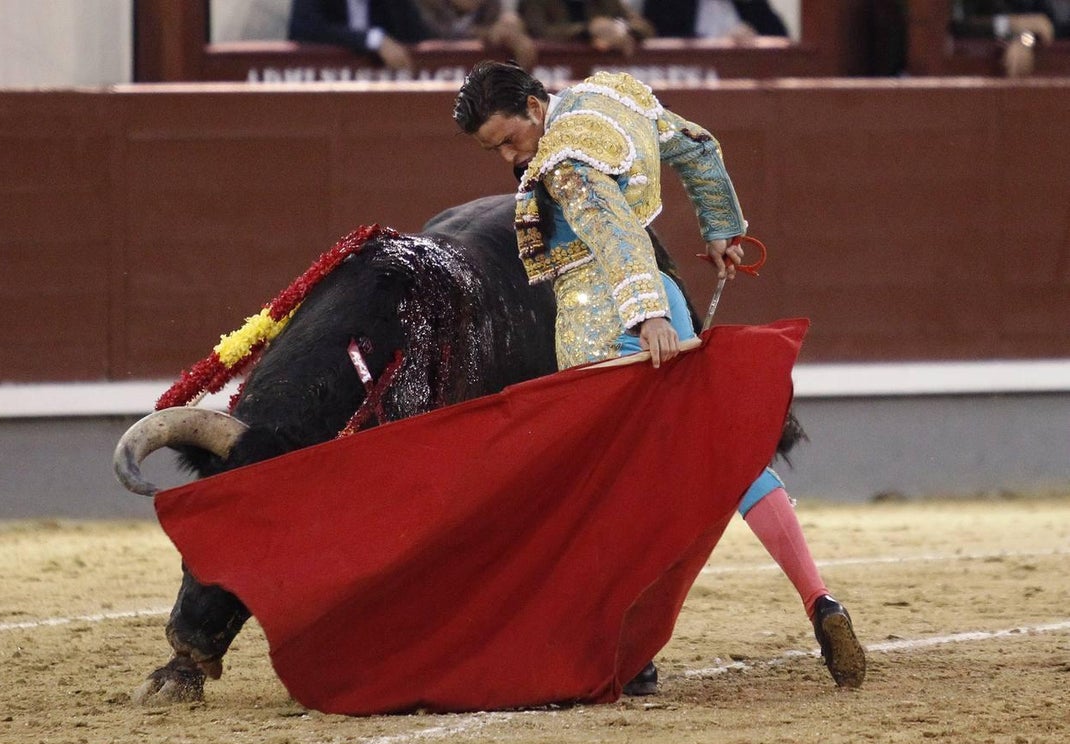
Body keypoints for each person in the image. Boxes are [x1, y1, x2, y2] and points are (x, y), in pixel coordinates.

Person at [452, 60, 866, 693]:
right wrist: (722, 229)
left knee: (603, 483)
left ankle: (629, 652)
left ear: (537, 106)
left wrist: (643, 316)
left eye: (510, 137)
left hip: (604, 323)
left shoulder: (563, 158)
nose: (509, 154)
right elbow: (698, 146)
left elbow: (616, 235)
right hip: (669, 303)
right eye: (494, 149)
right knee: (730, 453)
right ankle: (819, 598)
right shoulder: (612, 95)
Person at [287, 0, 433, 70]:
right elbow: (307, 29)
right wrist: (373, 40)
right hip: (322, 89)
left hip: (382, 97)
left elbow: (417, 35)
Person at [952, 1, 1069, 77]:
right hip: (967, 70)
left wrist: (1023, 40)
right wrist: (1011, 23)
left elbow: (1043, 28)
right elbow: (958, 25)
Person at [415, 0, 539, 69]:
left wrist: (513, 36)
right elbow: (436, 33)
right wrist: (486, 34)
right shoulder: (416, 7)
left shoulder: (493, 8)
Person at [518, 0, 656, 56]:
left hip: (602, 75)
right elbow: (538, 31)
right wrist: (587, 30)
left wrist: (619, 29)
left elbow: (644, 27)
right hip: (552, 72)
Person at [634, 0, 789, 41]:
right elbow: (660, 38)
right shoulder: (668, 3)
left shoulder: (748, 4)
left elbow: (781, 37)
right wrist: (717, 42)